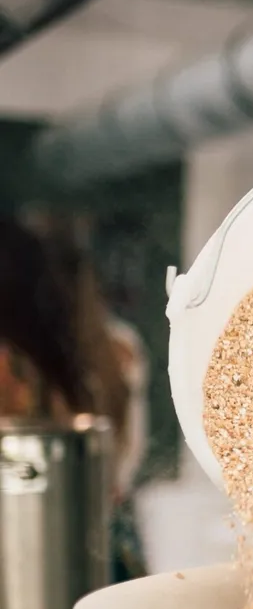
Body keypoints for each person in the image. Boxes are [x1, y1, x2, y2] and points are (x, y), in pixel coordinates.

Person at [0, 213, 149, 581]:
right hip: (108, 541)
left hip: (35, 544)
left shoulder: (19, 366)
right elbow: (127, 463)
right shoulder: (122, 348)